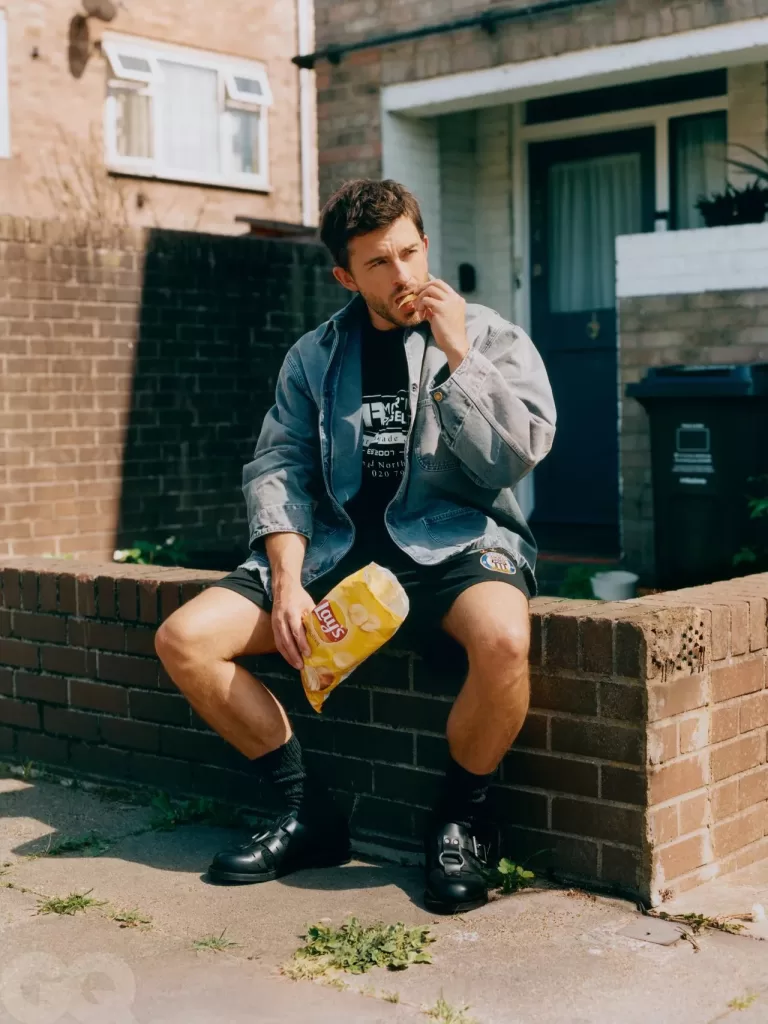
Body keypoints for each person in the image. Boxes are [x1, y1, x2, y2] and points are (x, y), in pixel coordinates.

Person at [155, 179, 556, 914]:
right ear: (345, 275)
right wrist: (286, 579)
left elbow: (514, 458)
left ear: (426, 244)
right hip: (333, 550)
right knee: (185, 639)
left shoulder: (489, 336)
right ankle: (307, 813)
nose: (402, 276)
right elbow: (279, 467)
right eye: (378, 263)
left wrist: (459, 356)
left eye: (409, 252)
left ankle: (462, 822)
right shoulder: (314, 358)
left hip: (453, 542)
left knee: (502, 639)